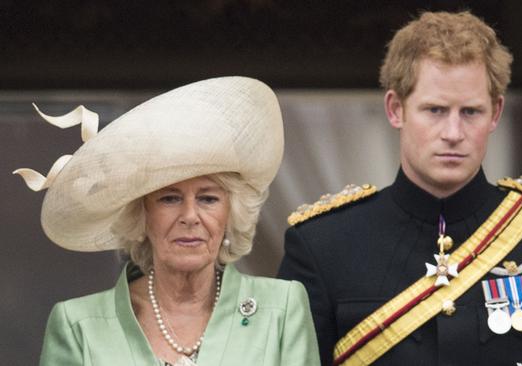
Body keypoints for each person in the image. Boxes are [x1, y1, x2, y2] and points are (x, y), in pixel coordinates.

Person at [278, 11, 522, 366]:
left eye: (470, 112)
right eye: (436, 110)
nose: (453, 133)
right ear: (396, 109)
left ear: (496, 113)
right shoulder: (323, 245)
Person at [15, 77, 320, 366]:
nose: (190, 216)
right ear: (141, 214)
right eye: (169, 198)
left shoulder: (281, 308)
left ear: (231, 213)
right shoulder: (77, 324)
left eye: (208, 199)